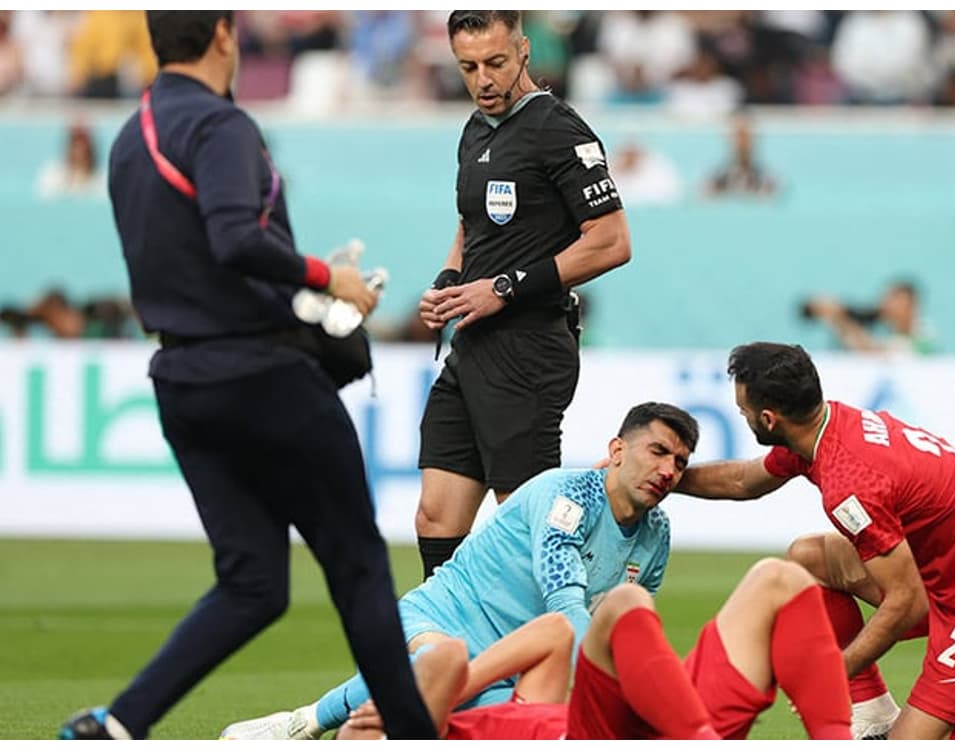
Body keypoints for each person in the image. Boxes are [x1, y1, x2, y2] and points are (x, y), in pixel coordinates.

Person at [57, 12, 437, 740]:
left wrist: (291, 289)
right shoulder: (221, 126)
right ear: (225, 35)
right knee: (358, 568)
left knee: (253, 583)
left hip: (182, 379)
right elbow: (234, 237)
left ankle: (117, 724)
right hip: (263, 377)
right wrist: (332, 280)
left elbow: (196, 254)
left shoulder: (126, 140)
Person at [674, 342, 955, 740]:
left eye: (744, 411)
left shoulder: (850, 485)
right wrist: (666, 478)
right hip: (947, 570)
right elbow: (742, 480)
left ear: (769, 419)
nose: (743, 418)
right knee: (806, 559)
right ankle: (872, 710)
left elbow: (906, 601)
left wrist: (834, 675)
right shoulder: (826, 426)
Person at [220, 402, 696, 740]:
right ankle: (304, 723)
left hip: (517, 666)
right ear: (616, 450)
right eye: (657, 451)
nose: (668, 470)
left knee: (500, 727)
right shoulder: (569, 496)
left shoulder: (658, 534)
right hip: (442, 620)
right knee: (441, 665)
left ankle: (384, 730)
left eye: (679, 462)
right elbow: (564, 603)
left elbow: (629, 628)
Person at [413, 9, 633, 580]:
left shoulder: (559, 130)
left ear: (524, 52)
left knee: (524, 524)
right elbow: (471, 226)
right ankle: (447, 648)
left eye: (496, 63)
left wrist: (505, 289)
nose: (483, 79)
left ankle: (547, 654)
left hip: (529, 349)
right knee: (435, 516)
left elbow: (611, 241)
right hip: (472, 346)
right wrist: (446, 285)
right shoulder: (475, 130)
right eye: (468, 67)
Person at [338, 557, 854, 740]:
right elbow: (447, 656)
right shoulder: (405, 732)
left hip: (664, 719)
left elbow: (556, 632)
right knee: (625, 600)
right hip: (601, 734)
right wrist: (403, 716)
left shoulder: (493, 717)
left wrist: (417, 703)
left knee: (778, 578)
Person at [803, 279, 936, 355]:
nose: (885, 303)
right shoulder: (885, 330)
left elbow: (872, 352)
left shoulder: (924, 333)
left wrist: (840, 318)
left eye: (893, 299)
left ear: (910, 304)